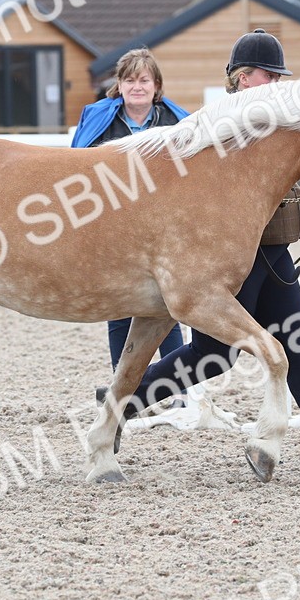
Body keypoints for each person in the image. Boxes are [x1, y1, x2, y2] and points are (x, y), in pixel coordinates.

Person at [118, 29, 300, 469]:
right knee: (212, 356)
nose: (276, 84)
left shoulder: (276, 127)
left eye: (279, 77)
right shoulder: (223, 127)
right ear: (242, 79)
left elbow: (292, 181)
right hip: (229, 255)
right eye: (268, 75)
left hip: (272, 249)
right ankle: (124, 399)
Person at [72, 48, 190, 369]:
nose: (137, 87)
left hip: (162, 231)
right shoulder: (96, 117)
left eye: (144, 80)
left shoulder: (180, 122)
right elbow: (76, 168)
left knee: (166, 309)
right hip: (112, 229)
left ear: (156, 85)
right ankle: (121, 388)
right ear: (119, 85)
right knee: (119, 306)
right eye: (130, 80)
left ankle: (178, 390)